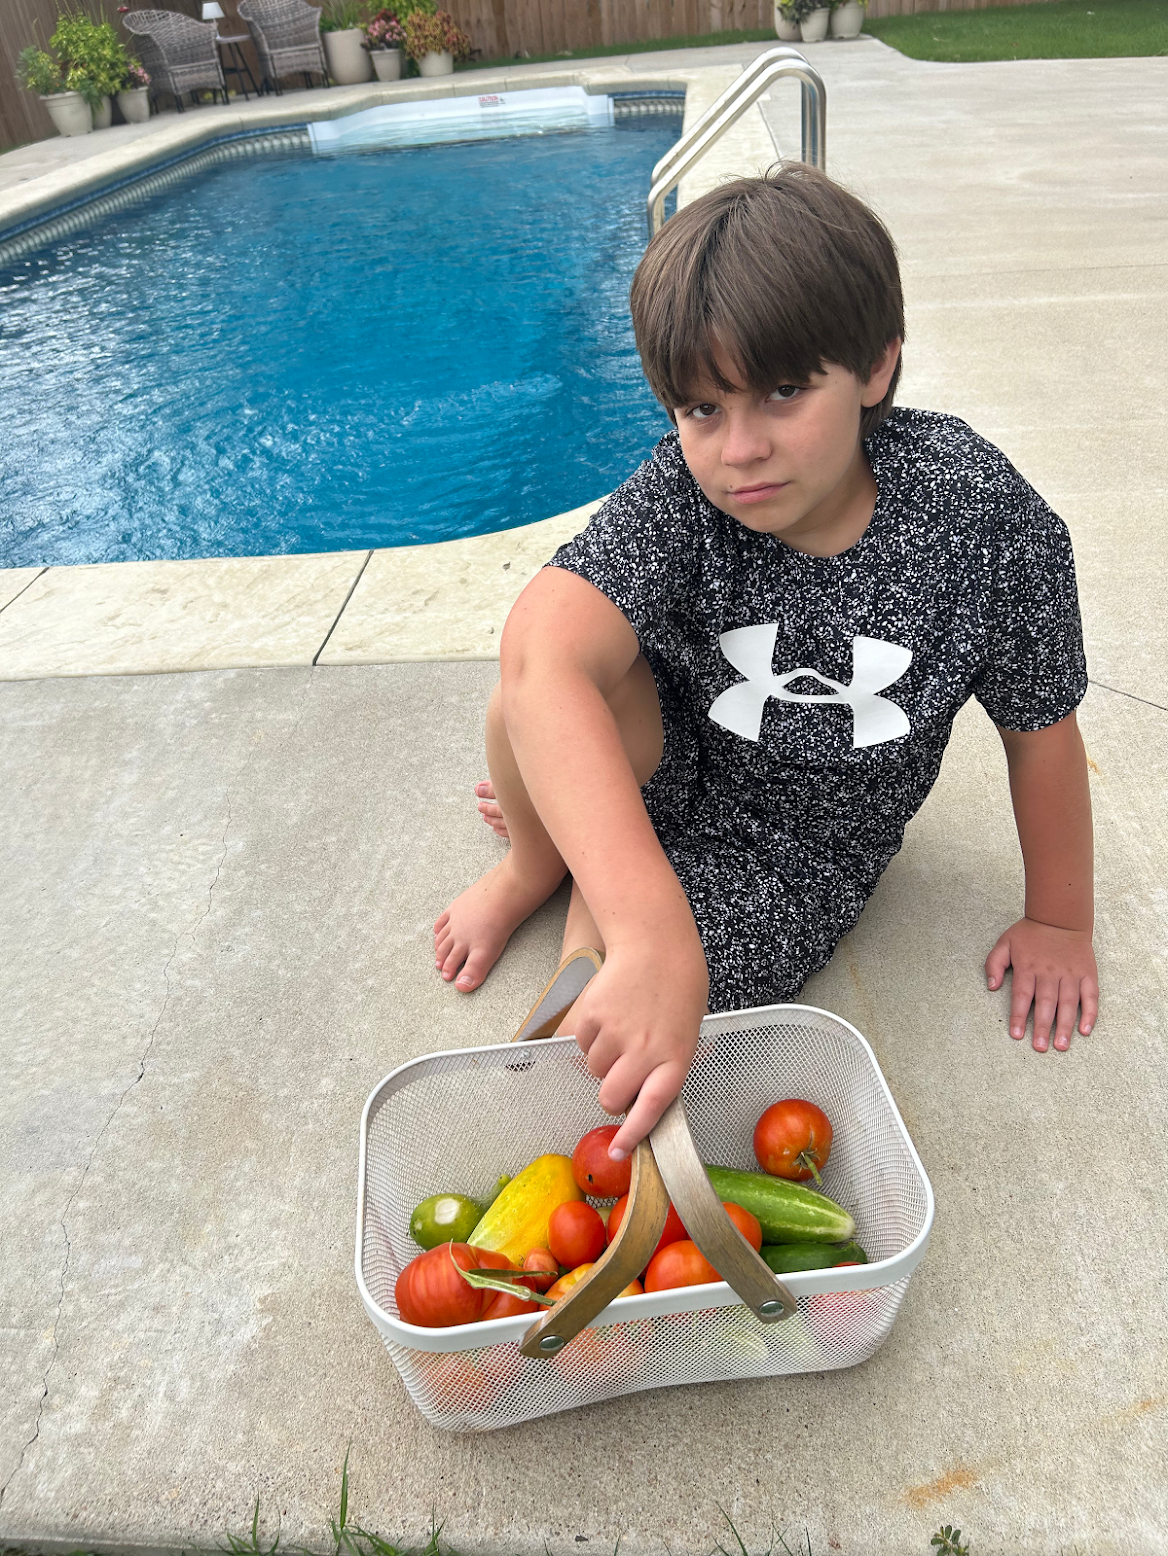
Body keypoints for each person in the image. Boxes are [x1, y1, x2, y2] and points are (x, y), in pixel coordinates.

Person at [433, 164, 1098, 1161]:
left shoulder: (981, 519)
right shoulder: (683, 488)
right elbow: (541, 650)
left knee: (642, 1032)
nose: (738, 448)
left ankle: (592, 906)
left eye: (784, 392)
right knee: (526, 701)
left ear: (875, 368)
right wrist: (648, 926)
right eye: (701, 409)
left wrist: (1060, 920)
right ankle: (540, 862)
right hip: (672, 746)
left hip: (798, 844)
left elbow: (1040, 730)